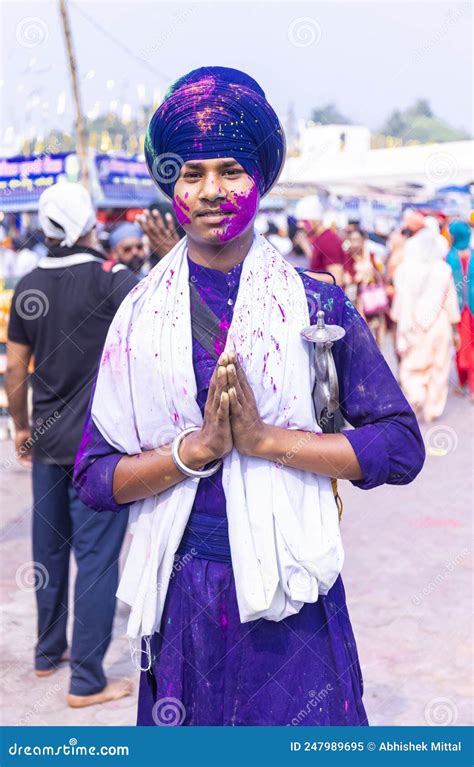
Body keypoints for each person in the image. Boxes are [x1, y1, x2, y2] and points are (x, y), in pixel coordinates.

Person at [73, 67, 425, 727]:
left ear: (261, 177)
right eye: (191, 172)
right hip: (183, 603)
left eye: (231, 169)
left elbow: (402, 447)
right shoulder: (137, 316)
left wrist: (271, 444)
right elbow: (95, 478)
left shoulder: (315, 303)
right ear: (169, 183)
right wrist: (196, 450)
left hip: (291, 602)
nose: (211, 190)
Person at [6, 182, 137, 707]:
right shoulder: (112, 279)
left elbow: (15, 368)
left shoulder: (28, 285)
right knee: (99, 557)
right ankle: (86, 680)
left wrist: (20, 427)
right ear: (89, 223)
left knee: (49, 551)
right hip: (98, 447)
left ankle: (46, 654)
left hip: (48, 443)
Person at [391, 216, 460, 423]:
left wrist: (397, 324)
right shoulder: (444, 269)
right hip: (439, 324)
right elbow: (451, 302)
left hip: (411, 324)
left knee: (411, 365)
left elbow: (400, 302)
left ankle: (416, 395)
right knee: (439, 367)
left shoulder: (404, 270)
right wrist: (456, 331)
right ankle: (433, 409)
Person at [344, 229, 388, 349]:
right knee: (361, 327)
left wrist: (371, 274)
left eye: (357, 240)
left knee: (378, 325)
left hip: (373, 295)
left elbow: (380, 274)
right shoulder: (347, 257)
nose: (355, 244)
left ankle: (378, 350)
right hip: (357, 299)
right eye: (352, 240)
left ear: (363, 241)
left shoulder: (371, 256)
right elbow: (347, 278)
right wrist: (358, 278)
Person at [446, 220, 474, 401]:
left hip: (459, 310)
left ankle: (467, 384)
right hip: (466, 310)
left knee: (462, 346)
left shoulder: (449, 256)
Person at [293, 196, 348, 285]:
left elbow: (336, 279)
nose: (300, 225)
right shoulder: (319, 238)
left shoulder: (329, 240)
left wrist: (300, 274)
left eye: (304, 221)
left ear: (316, 220)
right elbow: (319, 266)